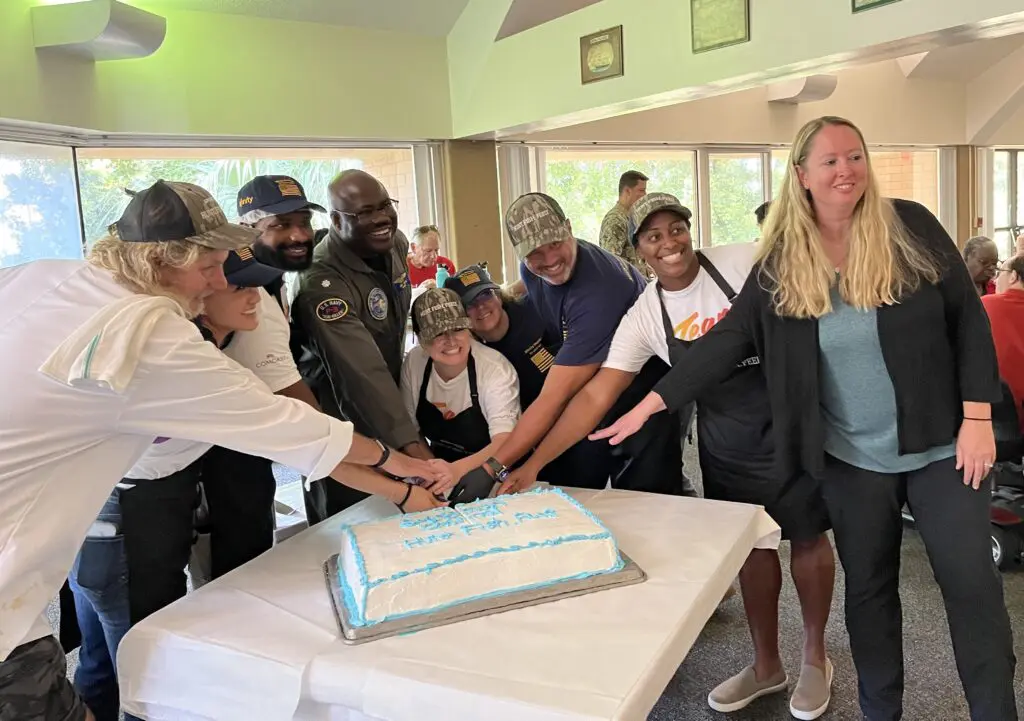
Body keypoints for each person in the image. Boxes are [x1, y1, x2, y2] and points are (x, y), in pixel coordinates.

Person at [594, 117, 1017, 721]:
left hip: (943, 449)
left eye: (854, 156)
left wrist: (978, 416)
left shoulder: (910, 225)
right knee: (869, 594)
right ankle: (881, 713)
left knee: (971, 590)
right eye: (829, 161)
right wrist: (652, 403)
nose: (845, 170)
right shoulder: (785, 256)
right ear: (802, 176)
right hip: (851, 460)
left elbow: (968, 320)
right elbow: (731, 335)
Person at [0, 180, 450, 720]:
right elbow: (296, 429)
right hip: (33, 580)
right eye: (210, 267)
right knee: (131, 662)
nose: (222, 279)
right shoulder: (149, 334)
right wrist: (403, 468)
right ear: (162, 259)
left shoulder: (45, 275)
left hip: (43, 562)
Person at [503, 192, 836, 718]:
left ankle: (816, 657)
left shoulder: (741, 260)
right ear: (639, 250)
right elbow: (594, 395)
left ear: (689, 228)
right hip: (725, 442)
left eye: (676, 229)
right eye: (653, 236)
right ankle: (765, 664)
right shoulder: (644, 317)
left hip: (790, 423)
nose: (670, 244)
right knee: (753, 546)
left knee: (809, 536)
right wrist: (533, 465)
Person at [66, 248, 292, 721]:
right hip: (126, 523)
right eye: (238, 287)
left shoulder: (197, 344)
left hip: (97, 512)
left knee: (103, 664)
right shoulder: (191, 360)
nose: (256, 299)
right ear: (200, 296)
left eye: (258, 286)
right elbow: (294, 430)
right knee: (145, 676)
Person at [453, 192, 683, 501]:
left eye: (555, 244)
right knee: (577, 487)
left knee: (645, 500)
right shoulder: (530, 271)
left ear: (569, 227)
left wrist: (494, 467)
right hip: (595, 374)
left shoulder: (599, 292)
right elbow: (532, 284)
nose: (549, 259)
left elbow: (567, 397)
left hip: (646, 383)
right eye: (534, 251)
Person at [292, 170, 427, 523]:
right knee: (351, 525)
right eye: (364, 212)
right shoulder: (321, 282)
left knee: (405, 522)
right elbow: (361, 374)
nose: (380, 218)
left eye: (385, 206)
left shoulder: (393, 243)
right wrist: (414, 448)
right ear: (335, 220)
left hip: (389, 407)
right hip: (341, 422)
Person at [400, 288, 521, 481]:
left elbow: (505, 441)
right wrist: (436, 475)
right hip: (438, 469)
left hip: (494, 472)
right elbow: (408, 432)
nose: (450, 341)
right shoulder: (415, 363)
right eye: (438, 333)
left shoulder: (494, 369)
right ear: (421, 340)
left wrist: (456, 471)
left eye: (458, 329)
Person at [983, 254, 1024, 432]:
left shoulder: (984, 307)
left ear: (1014, 276)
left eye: (1000, 272)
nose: (995, 279)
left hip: (998, 424)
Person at [599, 170, 648, 271]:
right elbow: (610, 265)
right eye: (641, 190)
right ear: (628, 191)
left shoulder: (632, 219)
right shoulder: (615, 220)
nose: (645, 195)